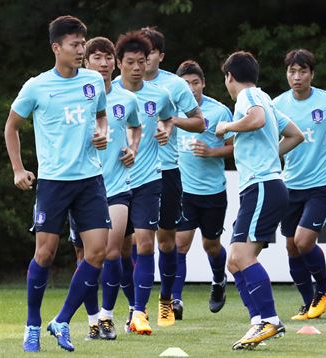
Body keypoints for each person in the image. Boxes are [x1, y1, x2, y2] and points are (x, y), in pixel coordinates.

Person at [4, 15, 110, 352]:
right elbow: (11, 127)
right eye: (75, 45)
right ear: (56, 48)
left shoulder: (93, 81)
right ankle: (32, 325)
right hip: (53, 182)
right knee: (45, 253)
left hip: (90, 181)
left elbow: (101, 115)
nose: (81, 50)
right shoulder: (37, 86)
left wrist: (103, 131)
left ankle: (61, 320)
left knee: (96, 253)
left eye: (83, 43)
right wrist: (19, 170)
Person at [215, 51, 304, 350]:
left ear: (229, 76)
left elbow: (257, 120)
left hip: (263, 186)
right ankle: (258, 322)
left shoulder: (247, 98)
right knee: (234, 262)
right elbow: (295, 135)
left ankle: (269, 320)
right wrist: (270, 156)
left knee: (242, 258)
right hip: (266, 185)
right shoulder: (265, 95)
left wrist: (227, 127)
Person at [273, 49, 326, 320]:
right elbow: (268, 139)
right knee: (290, 246)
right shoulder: (277, 105)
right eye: (292, 71)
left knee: (303, 240)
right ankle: (309, 302)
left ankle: (322, 289)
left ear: (312, 74)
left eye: (302, 71)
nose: (296, 77)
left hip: (321, 183)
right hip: (289, 185)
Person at [66, 36, 142, 341]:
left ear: (115, 62)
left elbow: (136, 126)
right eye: (97, 57)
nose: (103, 63)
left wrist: (133, 147)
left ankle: (108, 317)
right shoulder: (75, 98)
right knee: (84, 259)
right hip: (81, 188)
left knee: (111, 251)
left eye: (108, 57)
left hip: (117, 187)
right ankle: (93, 319)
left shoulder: (127, 100)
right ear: (87, 63)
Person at [139, 27, 205, 327]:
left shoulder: (175, 85)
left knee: (166, 243)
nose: (143, 60)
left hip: (166, 172)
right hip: (129, 174)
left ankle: (165, 300)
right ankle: (136, 309)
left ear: (160, 56)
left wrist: (170, 120)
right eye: (138, 54)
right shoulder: (118, 85)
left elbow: (199, 122)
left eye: (149, 53)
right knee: (135, 243)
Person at [113, 31, 175, 335]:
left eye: (142, 61)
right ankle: (132, 304)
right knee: (120, 250)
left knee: (145, 244)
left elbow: (168, 118)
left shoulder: (159, 95)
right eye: (131, 62)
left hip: (149, 179)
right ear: (118, 63)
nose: (137, 67)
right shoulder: (106, 94)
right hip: (115, 183)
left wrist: (165, 128)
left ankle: (140, 312)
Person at [171, 60, 234, 319]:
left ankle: (219, 281)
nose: (191, 88)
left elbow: (235, 147)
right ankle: (174, 300)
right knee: (180, 244)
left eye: (195, 83)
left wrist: (212, 152)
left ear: (204, 84)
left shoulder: (219, 112)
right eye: (185, 84)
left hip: (212, 192)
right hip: (183, 192)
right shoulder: (171, 111)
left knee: (211, 245)